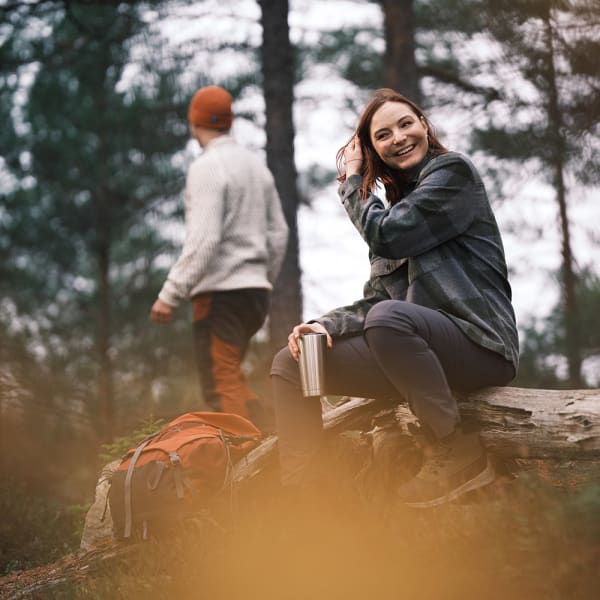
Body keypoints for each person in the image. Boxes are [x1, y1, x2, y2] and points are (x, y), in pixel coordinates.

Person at [270, 88, 518, 507]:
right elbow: (376, 300)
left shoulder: (453, 174)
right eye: (383, 135)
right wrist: (323, 324)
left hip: (480, 345)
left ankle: (456, 451)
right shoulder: (392, 211)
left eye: (406, 124)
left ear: (424, 124)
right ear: (375, 150)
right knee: (293, 362)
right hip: (409, 347)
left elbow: (388, 239)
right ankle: (304, 499)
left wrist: (352, 183)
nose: (399, 137)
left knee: (388, 319)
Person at [151, 85, 289, 429]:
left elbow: (204, 239)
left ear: (193, 122)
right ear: (229, 122)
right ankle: (272, 436)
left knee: (220, 384)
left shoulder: (207, 167)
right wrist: (262, 279)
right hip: (255, 296)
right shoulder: (256, 168)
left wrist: (169, 294)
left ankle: (254, 463)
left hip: (220, 297)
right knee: (232, 378)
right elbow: (279, 234)